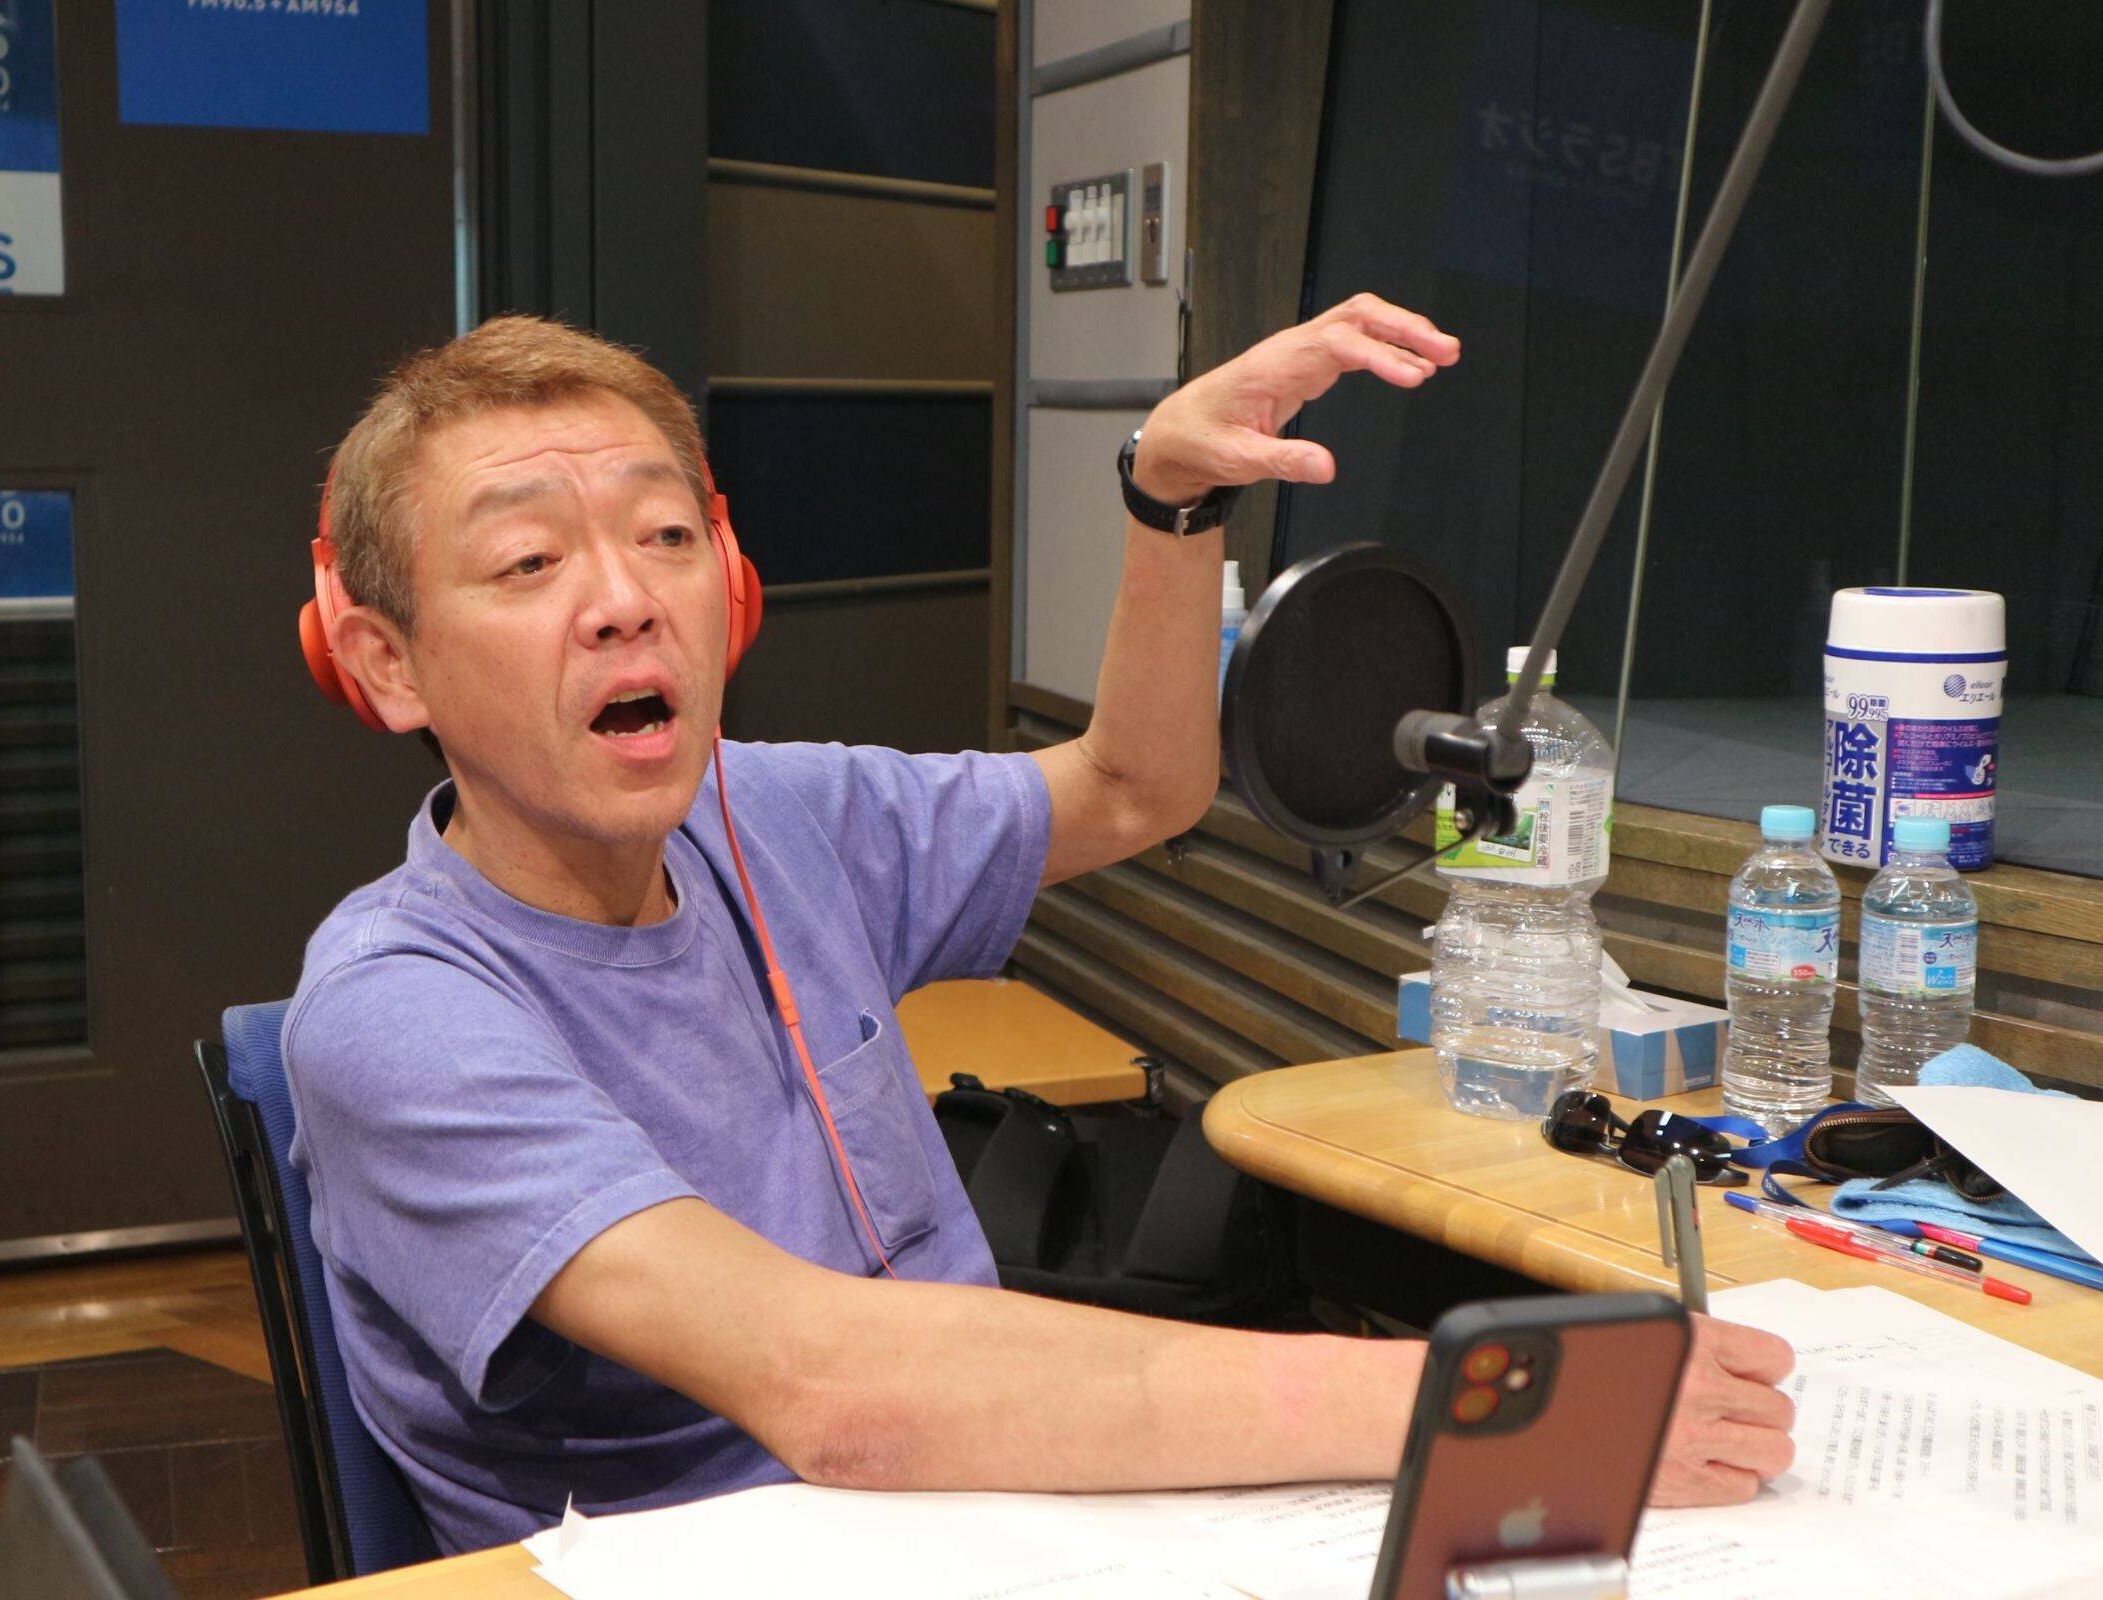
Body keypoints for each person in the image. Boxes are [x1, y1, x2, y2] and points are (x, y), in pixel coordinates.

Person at [284, 301, 1797, 1555]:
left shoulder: (779, 816)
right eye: (529, 562)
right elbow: (832, 1391)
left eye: (666, 535)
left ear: (729, 589)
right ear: (385, 664)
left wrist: (1173, 506)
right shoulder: (394, 1009)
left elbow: (1135, 786)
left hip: (985, 1522)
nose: (625, 600)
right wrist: (1502, 1398)